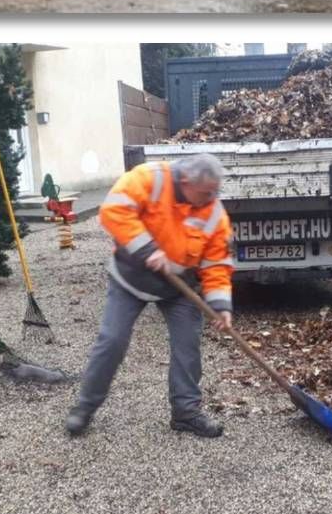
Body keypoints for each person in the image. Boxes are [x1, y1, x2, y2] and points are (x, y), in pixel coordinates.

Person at [65, 153, 235, 439]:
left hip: (179, 288)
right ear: (185, 181)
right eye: (206, 192)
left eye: (215, 192)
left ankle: (186, 413)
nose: (211, 199)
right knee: (112, 340)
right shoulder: (150, 178)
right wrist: (147, 249)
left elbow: (217, 262)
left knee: (187, 347)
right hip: (130, 278)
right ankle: (85, 407)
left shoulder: (213, 212)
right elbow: (113, 210)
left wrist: (220, 305)